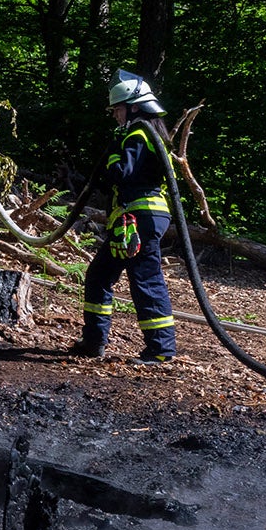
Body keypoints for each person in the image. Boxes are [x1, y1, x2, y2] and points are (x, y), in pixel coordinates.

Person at [70, 69, 177, 364]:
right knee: (99, 275)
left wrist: (114, 151)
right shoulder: (145, 132)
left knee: (145, 279)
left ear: (133, 106)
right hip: (134, 216)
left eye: (117, 109)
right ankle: (93, 342)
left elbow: (120, 173)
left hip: (139, 216)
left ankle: (160, 350)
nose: (115, 115)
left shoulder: (138, 133)